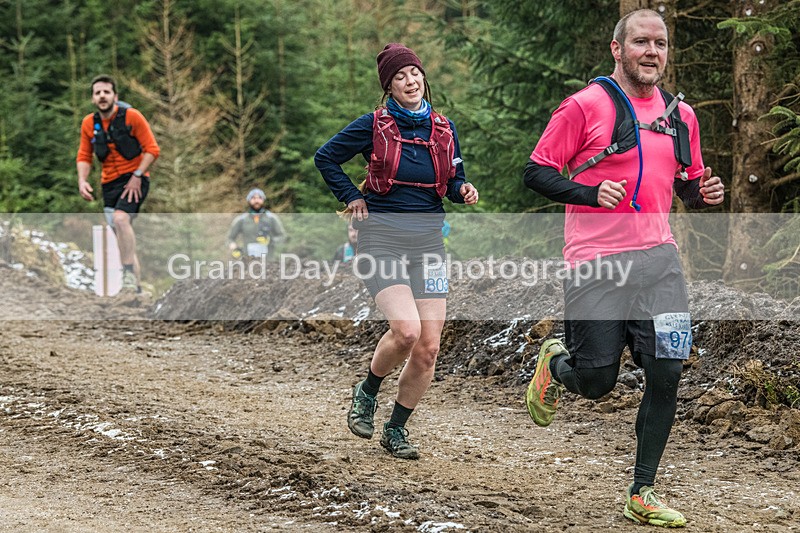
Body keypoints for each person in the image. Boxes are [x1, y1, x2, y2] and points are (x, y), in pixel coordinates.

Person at [522, 9, 724, 528]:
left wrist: (703, 193)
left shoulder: (683, 115)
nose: (652, 52)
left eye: (660, 43)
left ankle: (643, 490)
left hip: (660, 262)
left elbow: (684, 179)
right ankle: (555, 364)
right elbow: (537, 172)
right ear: (618, 49)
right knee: (596, 380)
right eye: (640, 42)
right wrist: (590, 192)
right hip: (596, 263)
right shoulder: (585, 106)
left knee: (666, 372)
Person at [315, 43, 479, 460]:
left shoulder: (444, 127)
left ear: (424, 78)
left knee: (429, 346)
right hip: (382, 238)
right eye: (400, 76)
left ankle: (396, 430)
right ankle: (367, 390)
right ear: (389, 86)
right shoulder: (372, 125)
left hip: (427, 243)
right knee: (406, 331)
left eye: (415, 73)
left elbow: (453, 177)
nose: (410, 81)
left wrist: (462, 189)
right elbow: (326, 157)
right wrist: (352, 196)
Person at [76, 74, 160, 292]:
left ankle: (129, 276)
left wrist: (137, 176)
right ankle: (136, 291)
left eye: (106, 92)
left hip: (135, 178)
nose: (102, 96)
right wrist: (82, 180)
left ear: (115, 95)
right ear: (93, 98)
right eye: (98, 93)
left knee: (121, 220)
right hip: (109, 184)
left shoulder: (132, 117)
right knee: (122, 238)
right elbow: (84, 155)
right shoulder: (89, 123)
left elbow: (152, 149)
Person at [227, 188, 287, 258]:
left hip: (269, 260)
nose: (256, 201)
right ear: (249, 200)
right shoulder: (241, 220)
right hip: (248, 260)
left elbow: (282, 236)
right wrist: (233, 245)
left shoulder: (271, 218)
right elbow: (230, 238)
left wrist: (270, 240)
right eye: (253, 198)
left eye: (259, 198)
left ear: (263, 200)